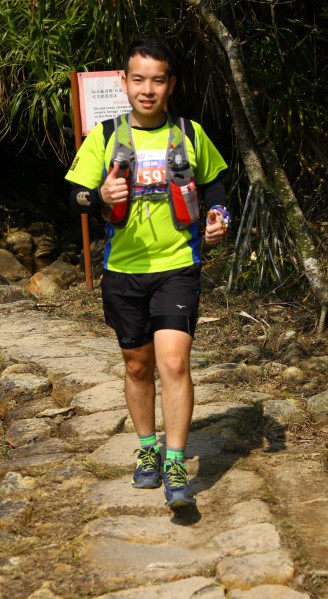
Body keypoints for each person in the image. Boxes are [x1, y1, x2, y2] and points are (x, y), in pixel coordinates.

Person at [65, 38, 229, 509]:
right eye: (138, 79)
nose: (147, 89)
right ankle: (147, 450)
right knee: (137, 366)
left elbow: (216, 184)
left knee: (173, 363)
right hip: (122, 270)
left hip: (177, 266)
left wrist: (219, 218)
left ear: (171, 84)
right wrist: (99, 197)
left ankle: (176, 463)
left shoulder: (190, 133)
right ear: (124, 82)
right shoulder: (106, 137)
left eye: (157, 80)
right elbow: (74, 196)